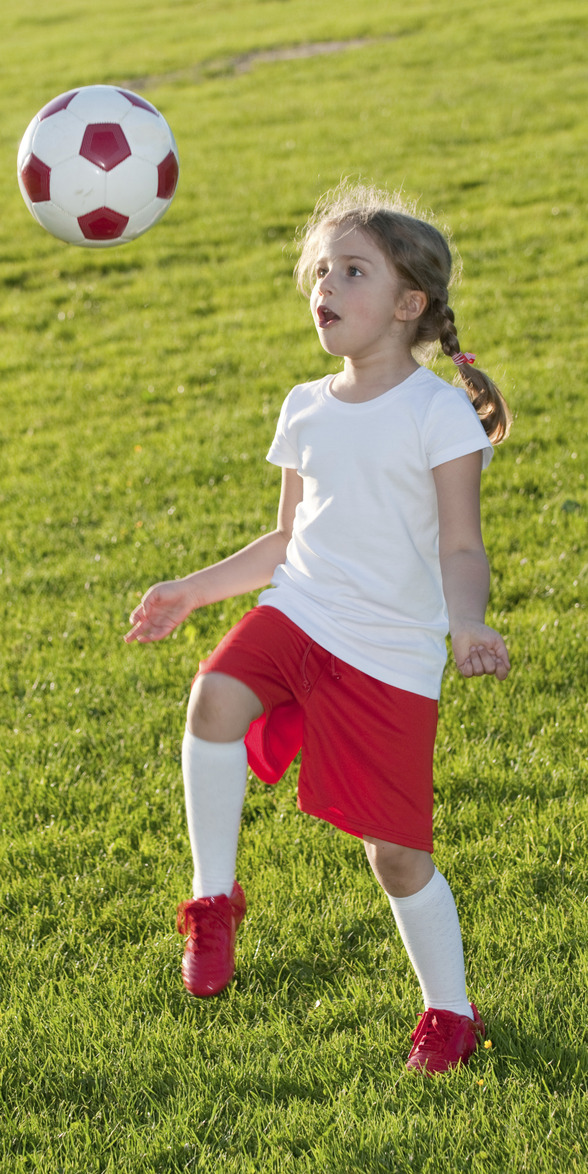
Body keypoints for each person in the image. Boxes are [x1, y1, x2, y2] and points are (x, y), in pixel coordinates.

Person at [125, 182, 511, 1074]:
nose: (324, 287)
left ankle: (450, 1012)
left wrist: (467, 622)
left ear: (409, 305)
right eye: (320, 272)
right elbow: (289, 539)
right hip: (302, 609)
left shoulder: (437, 413)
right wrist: (193, 589)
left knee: (399, 859)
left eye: (351, 272)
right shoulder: (304, 405)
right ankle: (212, 903)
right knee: (215, 697)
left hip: (389, 651)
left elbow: (461, 545)